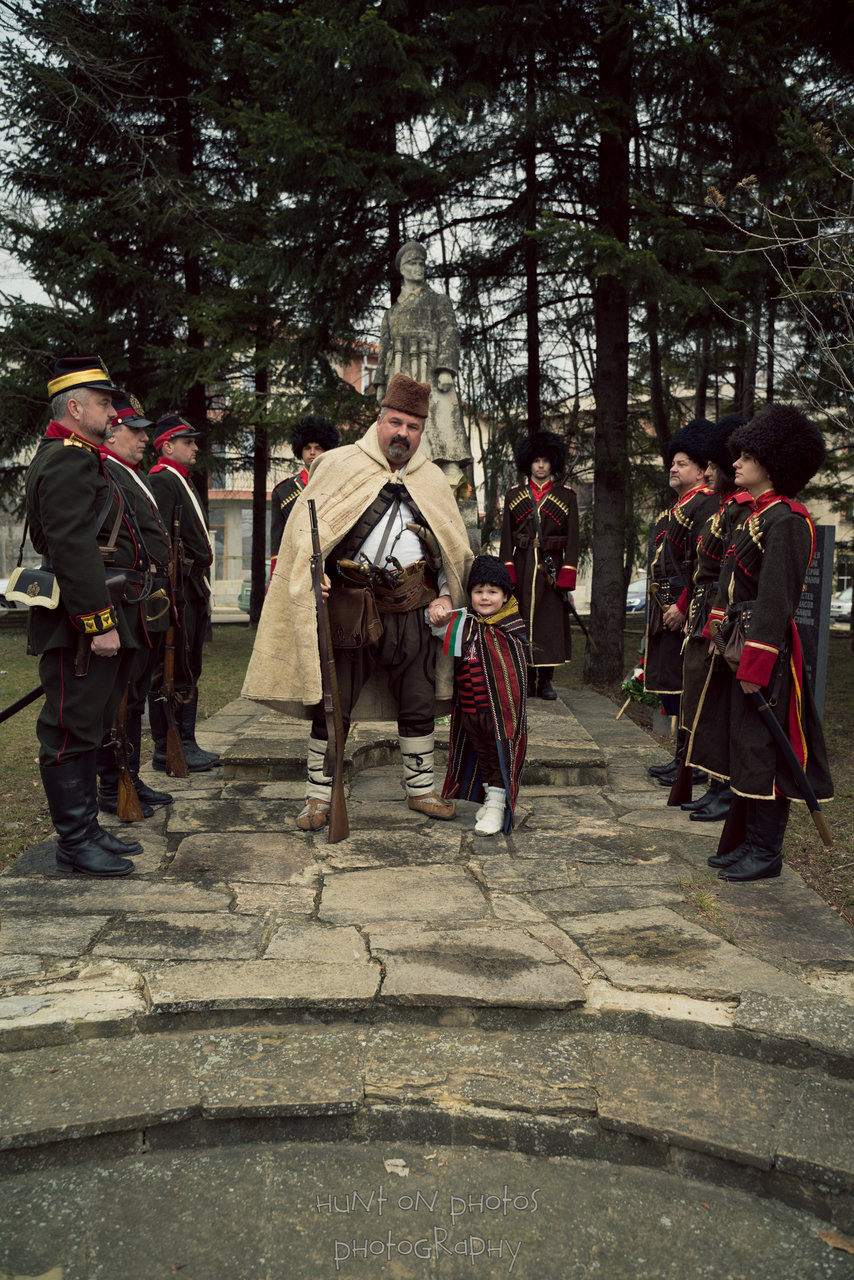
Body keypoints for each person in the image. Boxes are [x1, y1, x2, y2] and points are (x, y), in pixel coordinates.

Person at [242, 372, 473, 830]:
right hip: (351, 605)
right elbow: (307, 538)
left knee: (418, 699)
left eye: (413, 426)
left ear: (422, 432)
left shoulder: (432, 479)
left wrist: (446, 595)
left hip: (413, 607)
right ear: (379, 419)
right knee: (334, 702)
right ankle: (318, 798)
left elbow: (452, 549)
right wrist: (317, 576)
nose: (403, 433)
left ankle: (421, 789)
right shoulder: (340, 464)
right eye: (396, 422)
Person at [689, 404, 833, 882]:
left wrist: (755, 665)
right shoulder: (755, 514)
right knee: (744, 748)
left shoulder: (787, 521)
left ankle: (765, 851)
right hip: (737, 649)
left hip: (764, 656)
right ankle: (745, 842)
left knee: (765, 750)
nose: (736, 463)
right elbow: (726, 585)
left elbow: (775, 603)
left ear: (771, 461)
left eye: (746, 455)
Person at [24, 357, 149, 876]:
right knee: (70, 727)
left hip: (88, 616)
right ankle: (73, 841)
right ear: (75, 408)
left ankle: (86, 831)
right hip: (80, 623)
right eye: (102, 404)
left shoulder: (79, 456)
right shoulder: (67, 459)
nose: (112, 413)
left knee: (90, 723)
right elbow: (73, 548)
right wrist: (99, 624)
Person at [97, 393, 174, 816]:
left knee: (135, 694)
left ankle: (129, 774)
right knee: (119, 698)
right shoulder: (107, 470)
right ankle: (113, 783)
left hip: (142, 599)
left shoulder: (128, 471)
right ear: (113, 432)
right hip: (123, 597)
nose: (145, 439)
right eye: (136, 431)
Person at [644, 419, 719, 784]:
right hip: (666, 608)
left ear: (704, 470)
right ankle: (681, 757)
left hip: (682, 609)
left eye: (683, 463)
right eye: (673, 462)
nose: (674, 468)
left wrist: (684, 606)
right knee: (673, 685)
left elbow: (704, 565)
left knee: (688, 686)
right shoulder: (675, 508)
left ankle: (692, 764)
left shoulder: (704, 506)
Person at [678, 415, 745, 822]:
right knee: (703, 697)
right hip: (706, 608)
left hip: (721, 614)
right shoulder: (726, 507)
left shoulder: (737, 509)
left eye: (718, 467)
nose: (717, 472)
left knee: (715, 701)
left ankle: (722, 783)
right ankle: (715, 779)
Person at [147, 413, 219, 772]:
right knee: (172, 669)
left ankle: (185, 742)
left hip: (191, 588)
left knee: (188, 666)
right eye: (187, 442)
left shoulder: (180, 480)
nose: (195, 447)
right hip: (177, 590)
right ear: (167, 445)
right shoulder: (162, 480)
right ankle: (170, 746)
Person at [440, 555, 529, 836]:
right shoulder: (464, 623)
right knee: (482, 755)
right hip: (469, 709)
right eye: (478, 591)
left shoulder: (510, 629)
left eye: (492, 591)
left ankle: (496, 805)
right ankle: (493, 801)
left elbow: (512, 678)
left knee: (497, 754)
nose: (485, 597)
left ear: (504, 596)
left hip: (497, 715)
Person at [374, 240, 472, 492]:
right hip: (400, 369)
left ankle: (449, 463)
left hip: (432, 369)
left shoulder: (438, 301)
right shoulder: (391, 313)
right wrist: (380, 383)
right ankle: (405, 465)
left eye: (421, 263)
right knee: (403, 421)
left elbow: (450, 333)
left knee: (442, 414)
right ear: (402, 269)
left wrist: (446, 368)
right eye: (412, 263)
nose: (418, 268)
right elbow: (384, 348)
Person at [499, 430, 578, 700]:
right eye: (536, 461)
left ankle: (545, 680)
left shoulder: (567, 497)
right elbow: (506, 538)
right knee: (520, 620)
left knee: (549, 623)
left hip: (551, 568)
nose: (541, 465)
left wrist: (567, 574)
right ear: (528, 464)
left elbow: (574, 540)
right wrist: (507, 571)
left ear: (552, 463)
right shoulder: (513, 496)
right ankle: (526, 679)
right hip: (521, 564)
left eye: (545, 461)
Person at [270, 417, 339, 574]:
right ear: (300, 450)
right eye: (307, 448)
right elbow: (277, 544)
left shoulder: (338, 485)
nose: (312, 452)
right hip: (295, 566)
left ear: (327, 450)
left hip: (333, 567)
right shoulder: (283, 492)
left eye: (318, 447)